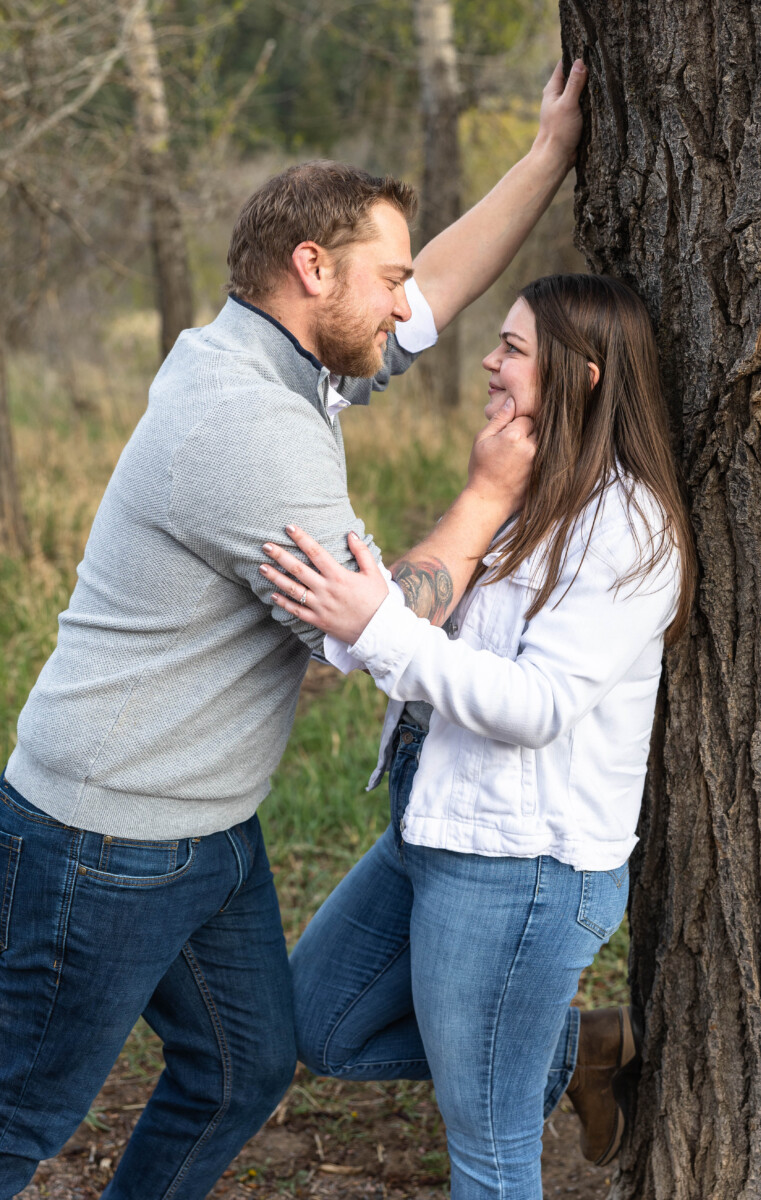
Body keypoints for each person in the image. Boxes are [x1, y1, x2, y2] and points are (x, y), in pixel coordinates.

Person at [0, 64, 589, 1200]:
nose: (403, 306)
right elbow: (366, 632)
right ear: (310, 268)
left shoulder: (278, 356)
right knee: (21, 1110)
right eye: (385, 279)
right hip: (108, 838)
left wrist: (543, 158)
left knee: (240, 1068)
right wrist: (482, 498)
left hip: (206, 826)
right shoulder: (249, 424)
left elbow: (428, 305)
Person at [259, 272, 697, 1200]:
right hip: (434, 825)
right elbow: (441, 609)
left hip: (519, 866)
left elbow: (537, 705)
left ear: (580, 376)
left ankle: (535, 1050)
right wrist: (421, 561)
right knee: (320, 1019)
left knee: (489, 1150)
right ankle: (577, 1049)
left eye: (512, 349)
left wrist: (379, 624)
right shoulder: (523, 486)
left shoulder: (625, 526)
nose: (490, 362)